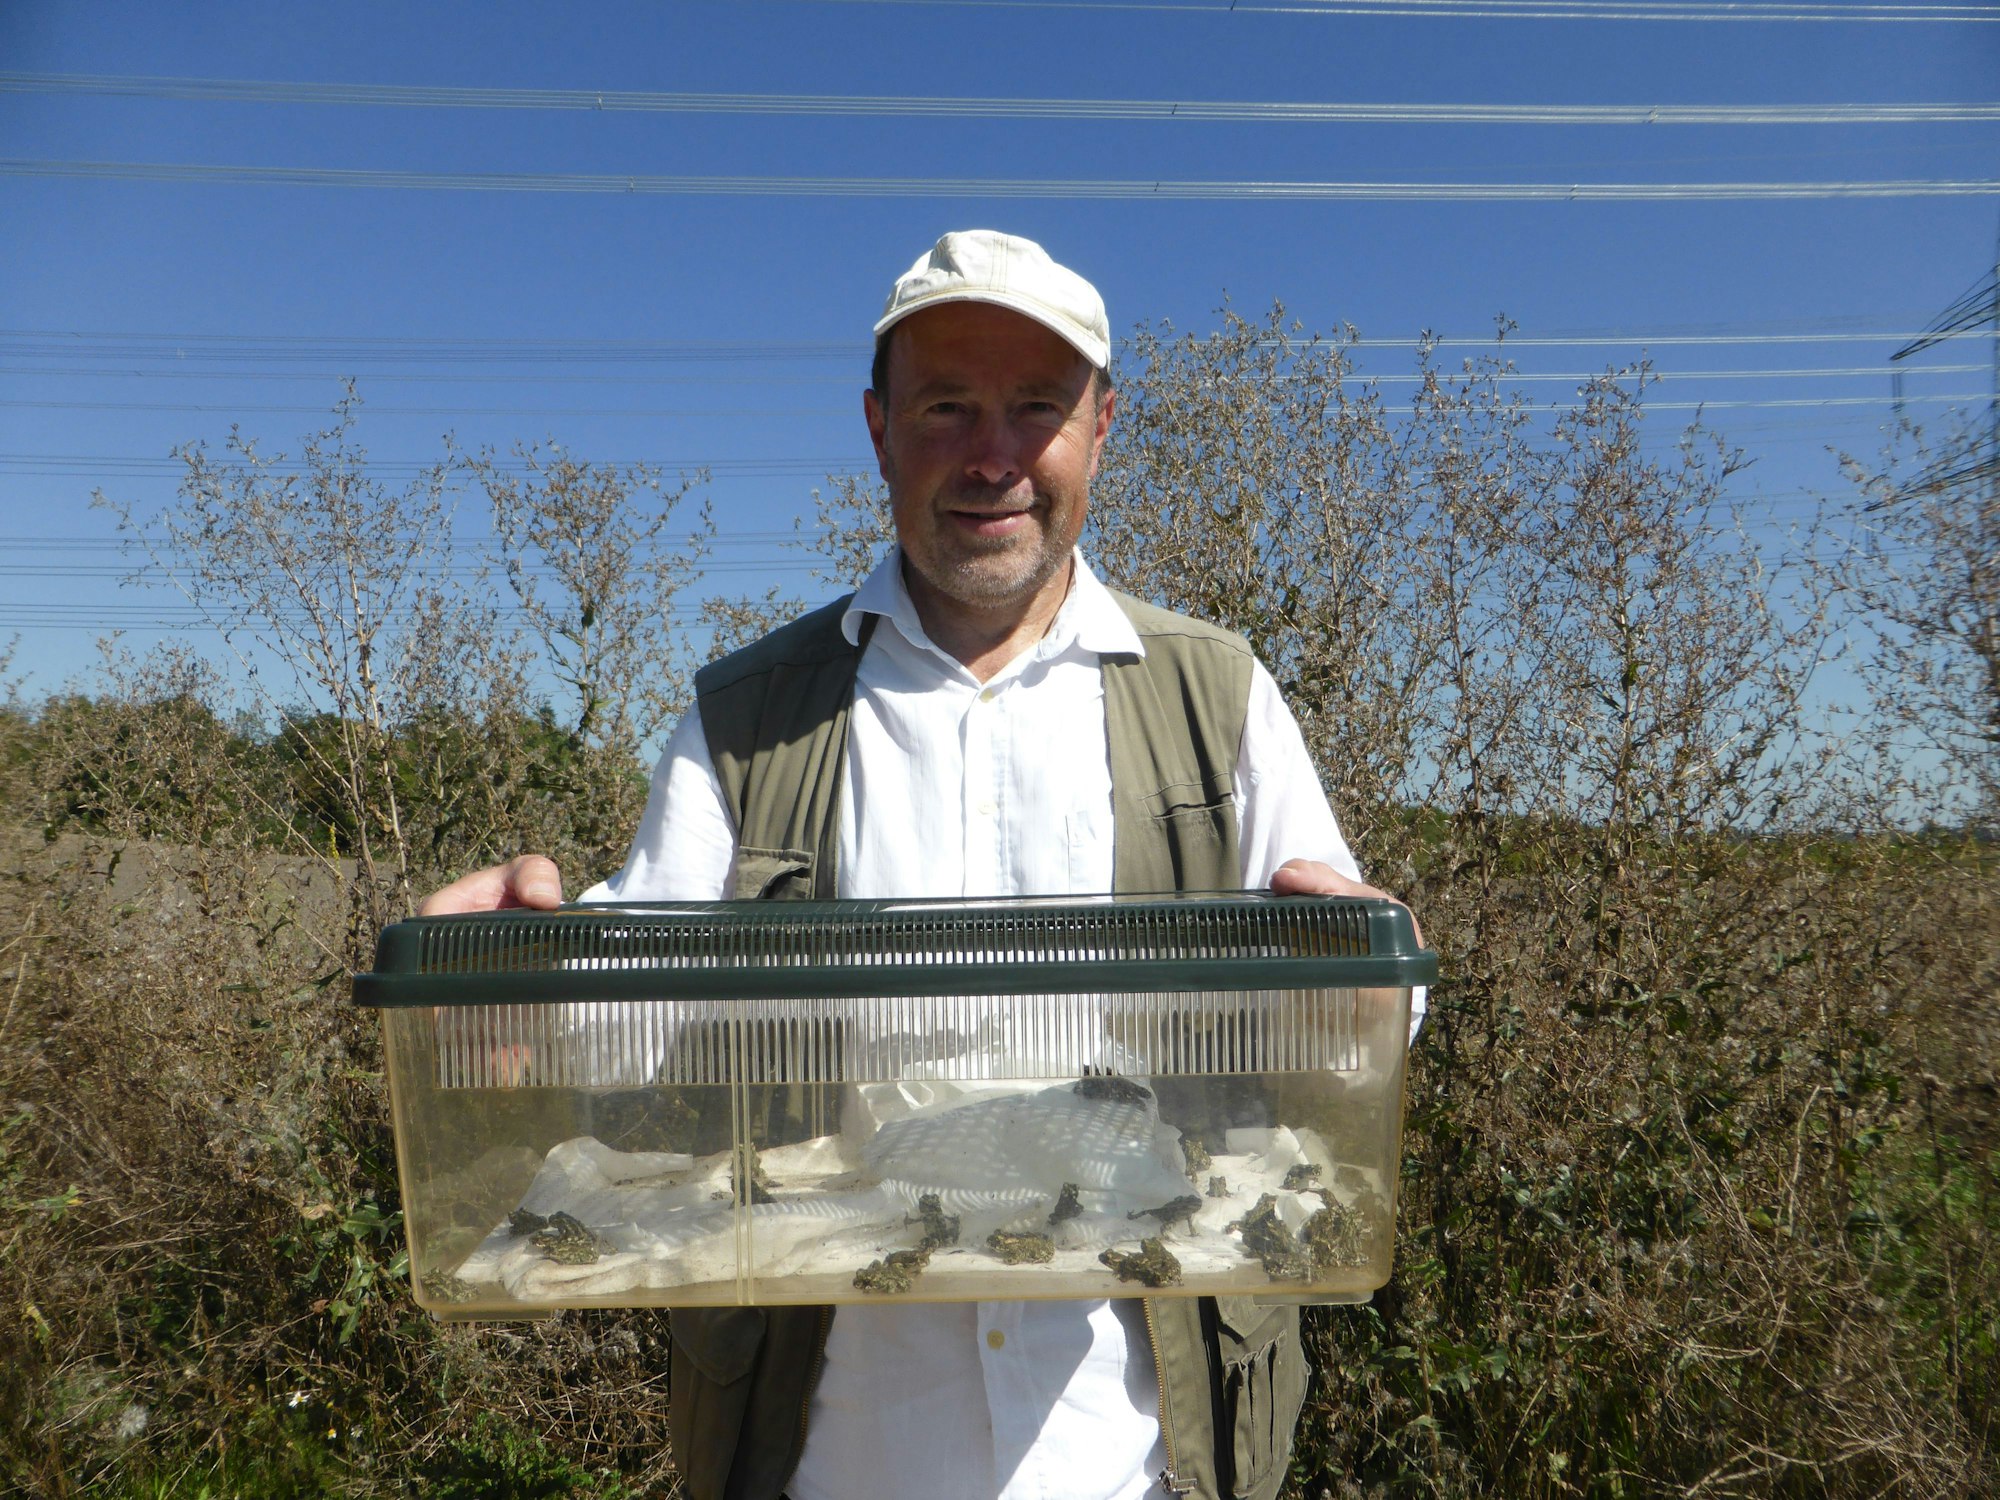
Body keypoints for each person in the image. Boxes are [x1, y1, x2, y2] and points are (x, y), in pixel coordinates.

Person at [423, 229, 1421, 1500]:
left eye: (1036, 408)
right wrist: (520, 975)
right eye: (946, 405)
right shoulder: (746, 719)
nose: (992, 454)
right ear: (878, 429)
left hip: (1131, 1457)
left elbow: (1359, 997)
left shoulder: (1217, 698)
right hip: (837, 1450)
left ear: (1101, 428)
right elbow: (630, 1011)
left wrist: (1366, 985)